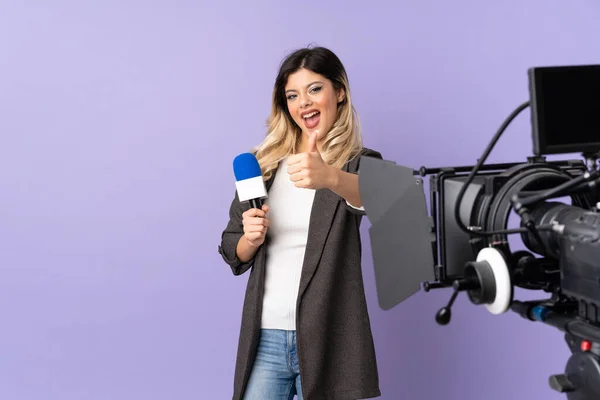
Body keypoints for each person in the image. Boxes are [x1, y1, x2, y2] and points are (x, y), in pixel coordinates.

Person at [218, 45, 382, 400]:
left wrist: (330, 176)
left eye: (314, 89)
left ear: (339, 92)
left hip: (329, 336)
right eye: (293, 95)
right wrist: (250, 238)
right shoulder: (265, 165)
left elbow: (378, 197)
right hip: (266, 337)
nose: (303, 102)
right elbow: (232, 247)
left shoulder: (357, 163)